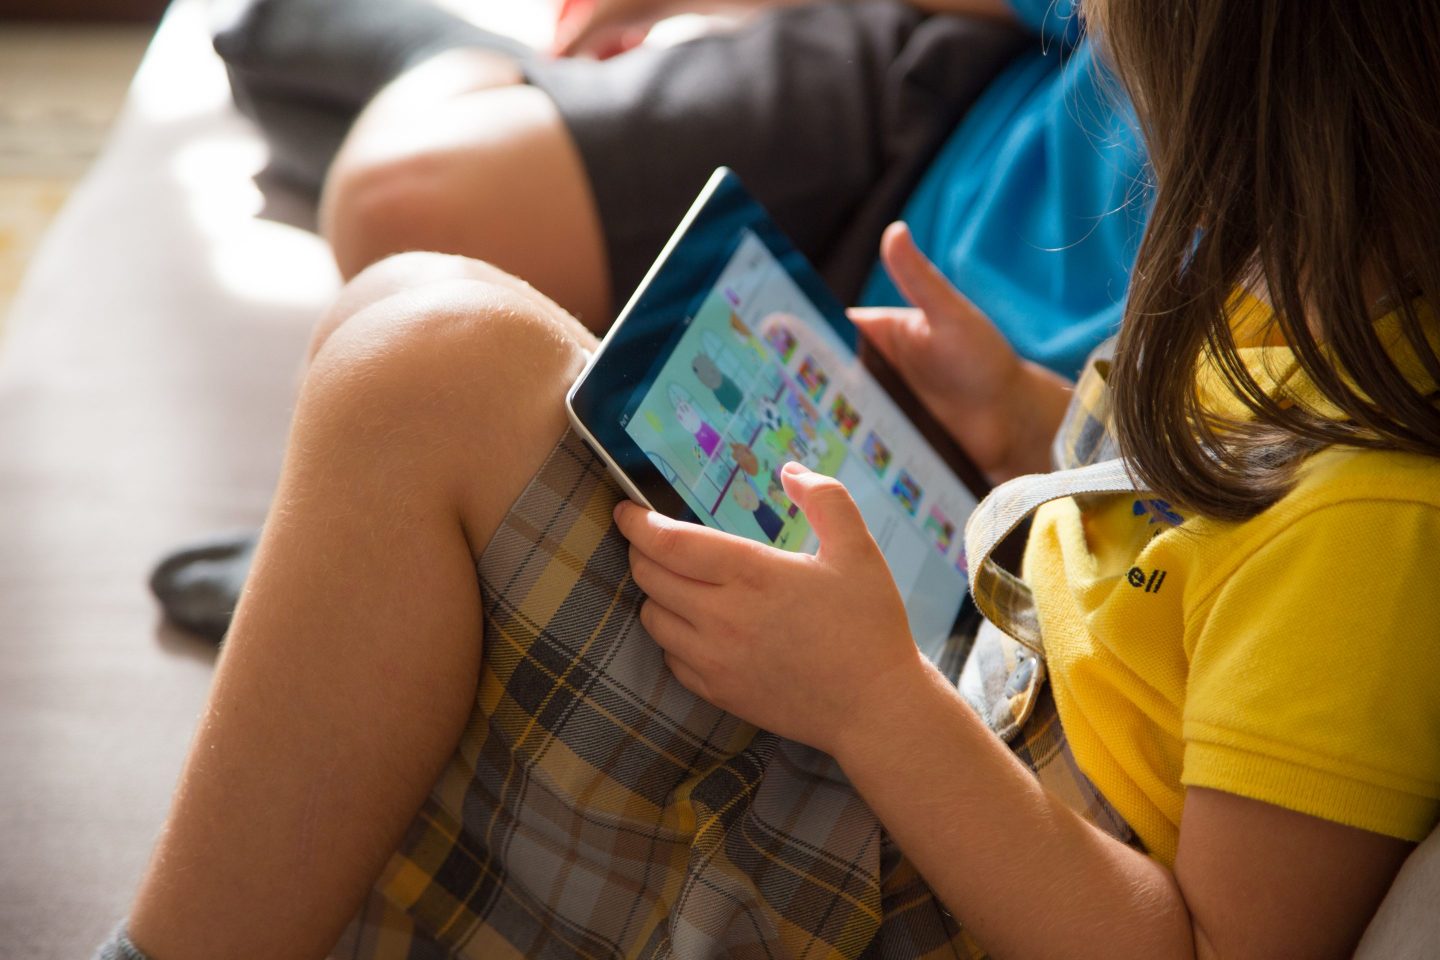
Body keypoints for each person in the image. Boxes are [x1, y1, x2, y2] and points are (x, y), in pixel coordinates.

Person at [102, 0, 1440, 957]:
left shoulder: (1375, 523)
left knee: (426, 367)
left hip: (915, 871)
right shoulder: (1298, 302)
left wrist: (874, 704)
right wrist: (1025, 426)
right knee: (408, 356)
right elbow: (1187, 555)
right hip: (951, 701)